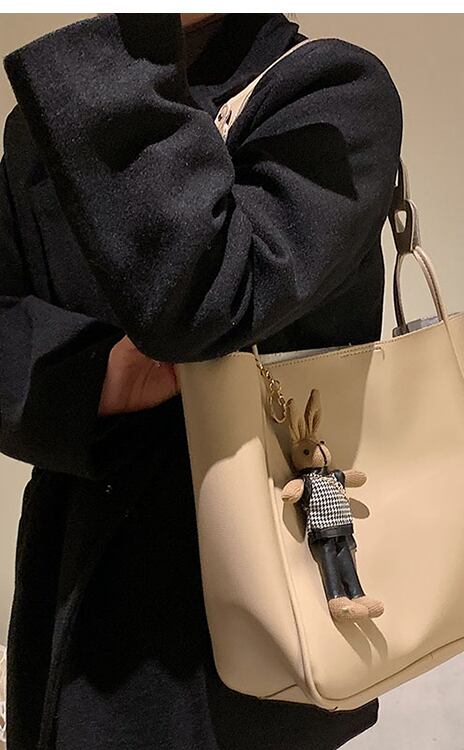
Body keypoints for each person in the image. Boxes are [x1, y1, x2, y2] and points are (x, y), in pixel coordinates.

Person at [0, 12, 402, 749]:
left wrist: (124, 65)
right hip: (76, 577)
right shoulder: (47, 118)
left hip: (256, 584)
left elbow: (201, 303)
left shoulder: (329, 90)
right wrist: (92, 378)